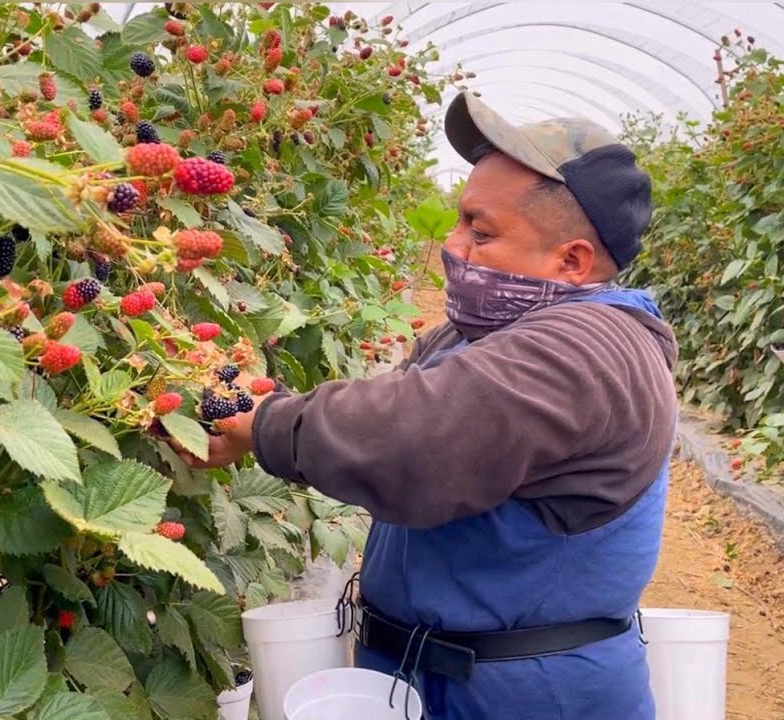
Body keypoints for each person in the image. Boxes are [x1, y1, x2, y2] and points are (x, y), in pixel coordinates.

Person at [176, 91, 679, 720]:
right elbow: (393, 401)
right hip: (434, 680)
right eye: (461, 219)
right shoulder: (480, 336)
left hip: (527, 699)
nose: (453, 244)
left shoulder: (595, 349)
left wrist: (267, 424)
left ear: (572, 260)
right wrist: (270, 404)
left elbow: (410, 436)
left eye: (481, 230)